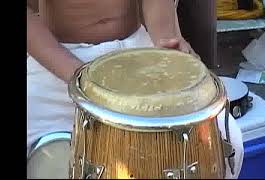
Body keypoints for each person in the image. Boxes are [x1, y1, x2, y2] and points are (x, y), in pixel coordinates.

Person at [27, 0, 243, 178]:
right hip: (58, 61)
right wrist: (80, 76)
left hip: (138, 52)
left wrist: (165, 43)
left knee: (226, 142)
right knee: (51, 169)